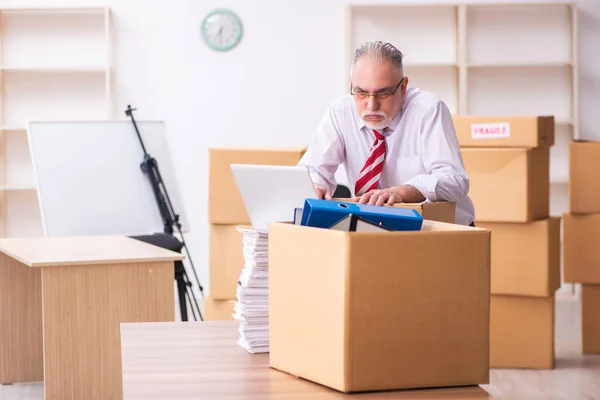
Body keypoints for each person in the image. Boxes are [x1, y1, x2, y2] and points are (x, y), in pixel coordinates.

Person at [298, 41, 475, 226]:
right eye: (361, 92)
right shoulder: (340, 112)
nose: (371, 105)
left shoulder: (428, 110)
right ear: (352, 85)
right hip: (376, 231)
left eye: (383, 93)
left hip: (444, 231)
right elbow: (313, 170)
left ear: (403, 87)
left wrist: (404, 192)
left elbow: (454, 179)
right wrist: (315, 186)